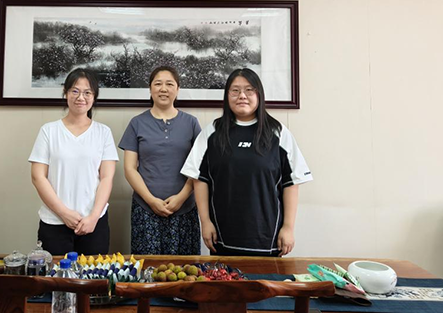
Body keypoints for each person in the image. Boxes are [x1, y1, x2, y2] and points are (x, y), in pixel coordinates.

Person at [181, 68, 312, 256]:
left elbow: (291, 183)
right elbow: (200, 179)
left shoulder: (278, 132)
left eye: (249, 90)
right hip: (222, 236)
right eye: (235, 90)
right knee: (224, 276)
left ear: (259, 95)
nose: (242, 95)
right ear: (227, 96)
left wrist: (288, 227)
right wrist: (206, 222)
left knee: (266, 277)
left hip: (268, 238)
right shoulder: (212, 132)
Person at [29, 68, 118, 255]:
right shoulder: (49, 131)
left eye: (87, 93)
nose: (81, 97)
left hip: (94, 223)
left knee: (94, 273)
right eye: (75, 91)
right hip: (54, 222)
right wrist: (64, 213)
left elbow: (107, 178)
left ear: (94, 97)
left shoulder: (103, 132)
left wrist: (93, 216)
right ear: (66, 93)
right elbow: (38, 177)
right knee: (54, 273)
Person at [119, 66, 202, 255]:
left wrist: (181, 198)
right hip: (145, 210)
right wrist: (151, 201)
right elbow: (130, 169)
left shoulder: (191, 123)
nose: (163, 89)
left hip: (184, 209)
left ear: (177, 89)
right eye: (158, 84)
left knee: (184, 269)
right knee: (148, 268)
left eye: (169, 84)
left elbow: (199, 166)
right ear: (150, 89)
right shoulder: (137, 123)